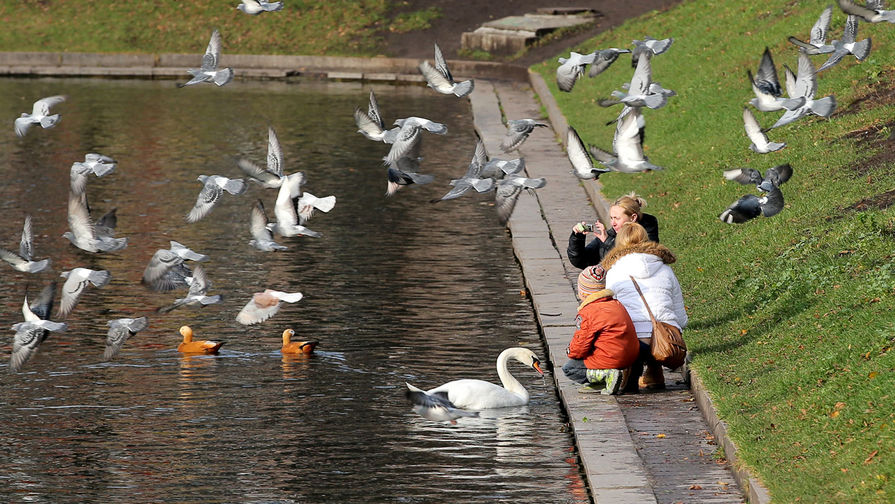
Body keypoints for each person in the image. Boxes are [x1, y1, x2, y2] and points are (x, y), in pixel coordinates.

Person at [603, 223, 687, 390]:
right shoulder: (665, 269)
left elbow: (613, 310)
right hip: (668, 341)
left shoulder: (615, 272)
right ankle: (654, 371)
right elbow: (680, 313)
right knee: (654, 332)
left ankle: (630, 371)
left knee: (627, 334)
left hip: (634, 343)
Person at [562, 265, 641, 395]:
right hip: (630, 357)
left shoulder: (589, 312)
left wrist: (570, 351)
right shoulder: (616, 304)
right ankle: (607, 378)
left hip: (610, 358)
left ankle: (605, 376)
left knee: (570, 368)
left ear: (583, 293)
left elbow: (580, 345)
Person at [567, 192, 660, 269]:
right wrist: (577, 238)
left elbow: (634, 263)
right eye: (611, 218)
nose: (613, 223)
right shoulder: (611, 234)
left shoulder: (646, 234)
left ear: (633, 218)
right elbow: (581, 261)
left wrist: (607, 242)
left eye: (617, 218)